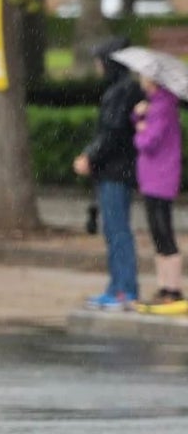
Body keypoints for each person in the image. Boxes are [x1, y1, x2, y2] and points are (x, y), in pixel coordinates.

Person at [74, 37, 145, 310]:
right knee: (114, 230)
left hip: (116, 171)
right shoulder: (124, 89)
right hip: (117, 169)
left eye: (100, 60)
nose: (97, 65)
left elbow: (112, 133)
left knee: (117, 231)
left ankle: (124, 289)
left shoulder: (121, 91)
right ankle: (118, 287)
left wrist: (90, 157)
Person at [131, 74, 185, 313]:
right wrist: (139, 115)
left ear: (153, 80)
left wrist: (139, 128)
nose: (141, 81)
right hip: (152, 177)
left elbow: (148, 142)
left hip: (161, 177)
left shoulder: (163, 106)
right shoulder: (155, 104)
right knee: (156, 232)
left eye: (143, 77)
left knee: (163, 231)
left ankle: (173, 289)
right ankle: (164, 287)